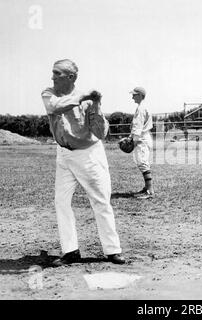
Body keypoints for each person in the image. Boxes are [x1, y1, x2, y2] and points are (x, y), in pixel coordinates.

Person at [41, 59, 126, 266]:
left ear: (71, 77)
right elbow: (55, 107)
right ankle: (70, 251)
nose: (52, 77)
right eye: (53, 73)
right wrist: (83, 97)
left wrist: (96, 104)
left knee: (100, 201)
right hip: (64, 154)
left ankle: (112, 250)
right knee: (61, 202)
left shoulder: (88, 102)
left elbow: (101, 133)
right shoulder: (49, 93)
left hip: (88, 155)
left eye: (57, 73)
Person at [128, 87, 154, 199]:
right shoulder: (142, 107)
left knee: (142, 162)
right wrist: (131, 136)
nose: (132, 96)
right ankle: (147, 187)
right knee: (142, 162)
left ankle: (149, 190)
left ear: (139, 95)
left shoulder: (141, 108)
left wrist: (134, 141)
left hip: (142, 138)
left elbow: (138, 127)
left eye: (134, 94)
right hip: (144, 136)